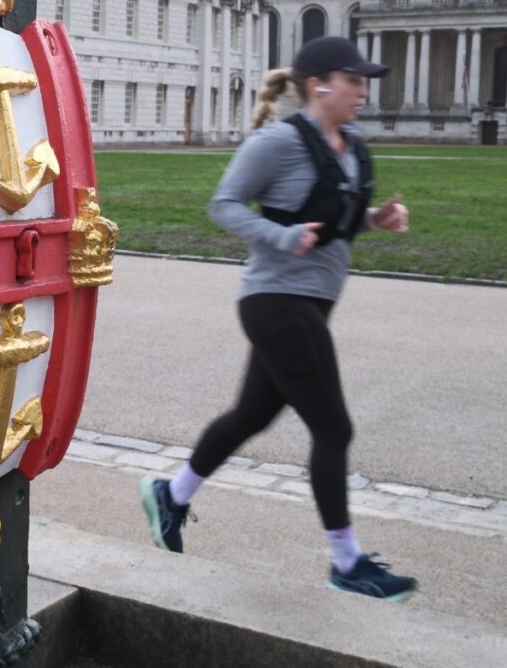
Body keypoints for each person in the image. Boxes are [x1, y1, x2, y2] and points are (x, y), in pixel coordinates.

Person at [139, 36, 417, 601]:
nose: (363, 91)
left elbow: (333, 215)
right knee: (333, 427)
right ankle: (347, 562)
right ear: (319, 85)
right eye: (354, 80)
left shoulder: (352, 145)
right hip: (276, 301)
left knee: (251, 414)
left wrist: (374, 220)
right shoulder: (279, 142)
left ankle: (173, 494)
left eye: (365, 82)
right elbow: (224, 205)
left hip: (311, 302)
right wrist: (280, 235)